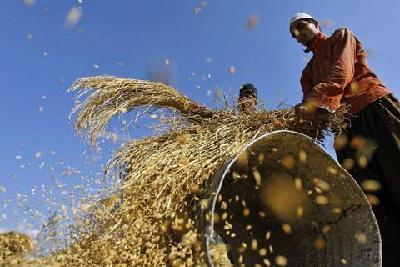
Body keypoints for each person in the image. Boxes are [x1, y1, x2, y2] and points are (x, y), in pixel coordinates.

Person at [290, 12, 400, 265]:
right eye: (294, 32)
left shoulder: (340, 37)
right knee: (372, 200)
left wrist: (318, 101)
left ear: (315, 25)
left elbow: (342, 71)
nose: (298, 32)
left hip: (373, 107)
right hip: (346, 128)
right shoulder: (307, 73)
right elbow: (310, 105)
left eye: (302, 25)